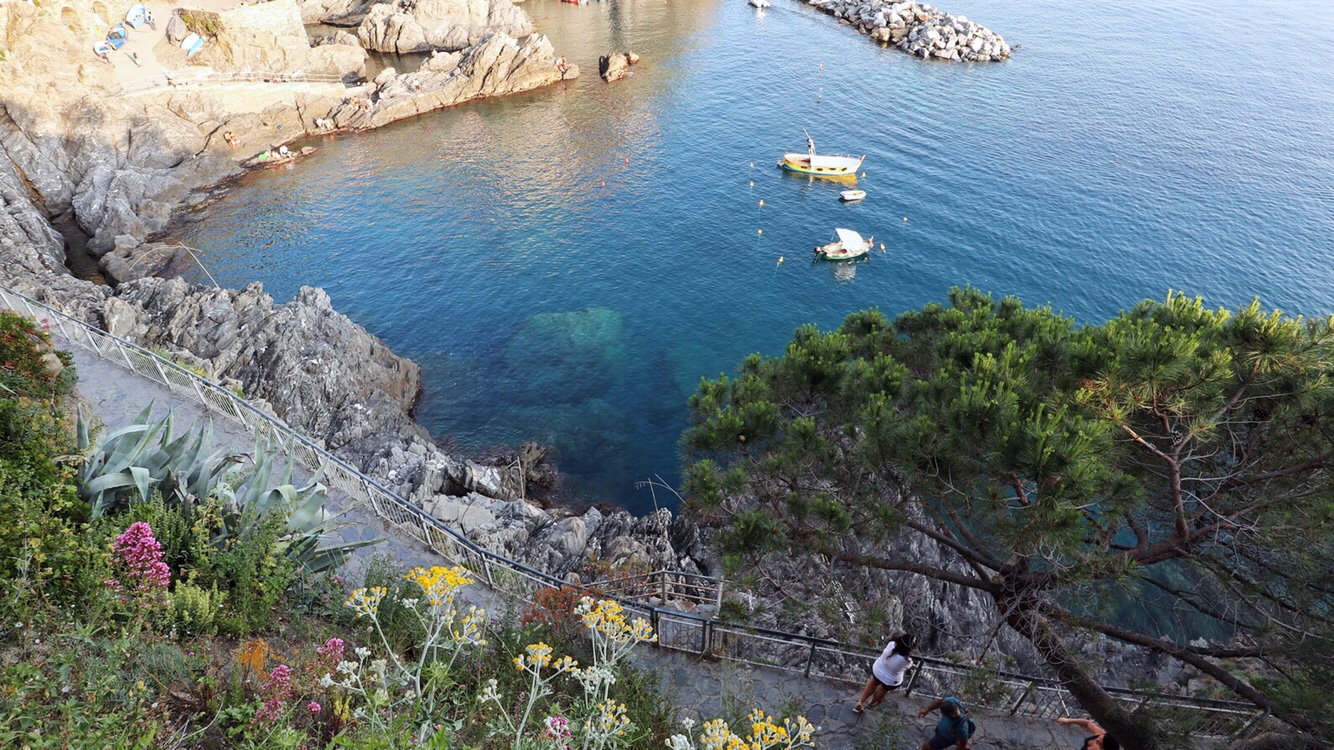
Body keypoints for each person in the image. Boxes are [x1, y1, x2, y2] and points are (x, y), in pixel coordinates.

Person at [854, 633, 914, 713]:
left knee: (873, 683)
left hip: (878, 670)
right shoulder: (907, 661)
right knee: (883, 690)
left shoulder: (891, 644)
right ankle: (872, 702)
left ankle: (861, 702)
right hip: (891, 680)